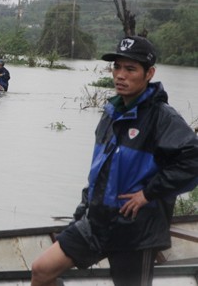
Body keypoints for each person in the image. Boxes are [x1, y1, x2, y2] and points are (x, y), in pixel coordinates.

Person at [30, 36, 198, 286]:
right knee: (42, 270)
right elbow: (99, 171)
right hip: (96, 222)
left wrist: (148, 194)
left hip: (136, 230)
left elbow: (192, 161)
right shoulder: (111, 113)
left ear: (149, 73)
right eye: (117, 67)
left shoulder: (162, 118)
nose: (120, 75)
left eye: (130, 69)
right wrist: (83, 210)